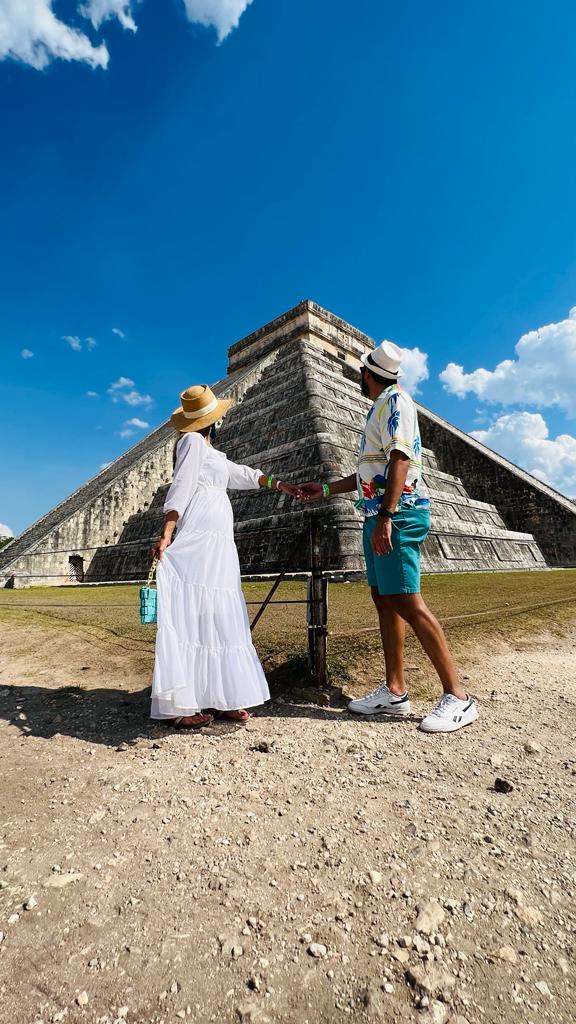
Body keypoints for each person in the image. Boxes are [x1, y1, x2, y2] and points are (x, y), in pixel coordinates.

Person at [300, 341, 479, 734]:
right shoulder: (380, 406)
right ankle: (395, 691)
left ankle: (458, 698)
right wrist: (326, 490)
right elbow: (370, 473)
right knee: (384, 598)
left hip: (395, 514)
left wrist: (387, 515)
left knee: (406, 600)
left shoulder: (397, 403)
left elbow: (400, 459)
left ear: (367, 373)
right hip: (376, 513)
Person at [150, 384, 299, 728]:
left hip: (218, 544)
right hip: (200, 539)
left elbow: (242, 473)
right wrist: (167, 534)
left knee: (217, 612)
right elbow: (181, 488)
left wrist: (278, 484)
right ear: (212, 420)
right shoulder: (189, 443)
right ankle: (182, 705)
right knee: (197, 611)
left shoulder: (210, 452)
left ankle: (222, 696)